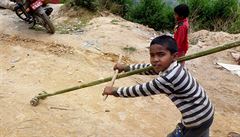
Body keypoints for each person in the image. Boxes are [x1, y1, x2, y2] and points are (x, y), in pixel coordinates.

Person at [102, 35, 214, 137]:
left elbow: (141, 90)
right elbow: (148, 68)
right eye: (152, 55)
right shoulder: (173, 66)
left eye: (161, 55)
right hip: (205, 111)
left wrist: (114, 91)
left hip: (197, 119)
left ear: (174, 56)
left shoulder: (169, 78)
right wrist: (126, 68)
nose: (155, 59)